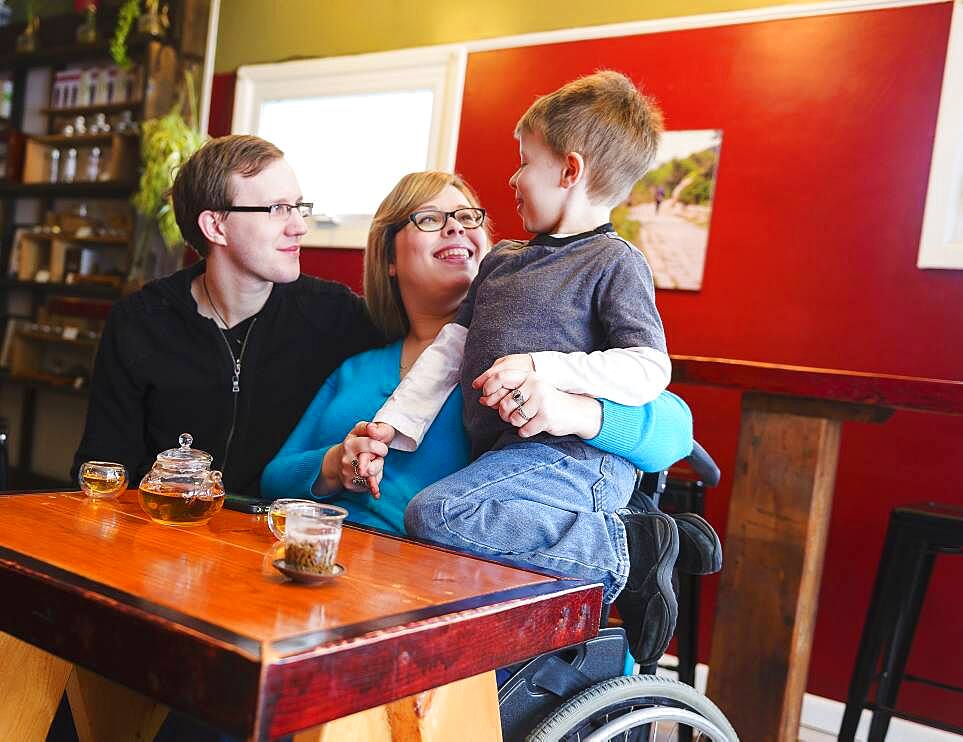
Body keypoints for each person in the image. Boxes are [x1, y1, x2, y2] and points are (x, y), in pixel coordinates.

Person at [363, 71, 677, 626]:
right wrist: (394, 423)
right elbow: (449, 352)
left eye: (525, 161)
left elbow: (649, 368)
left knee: (436, 513)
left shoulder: (613, 262)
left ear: (570, 171)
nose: (513, 176)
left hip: (577, 463)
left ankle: (623, 550)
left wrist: (543, 369)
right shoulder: (503, 261)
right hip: (507, 459)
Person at [260, 170, 694, 536]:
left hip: (445, 575)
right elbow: (273, 479)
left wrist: (570, 410)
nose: (456, 227)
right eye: (430, 218)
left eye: (467, 217)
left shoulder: (527, 354)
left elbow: (674, 432)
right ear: (388, 256)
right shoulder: (356, 368)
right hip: (331, 557)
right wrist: (336, 465)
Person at [72, 135, 383, 496]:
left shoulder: (334, 313)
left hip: (275, 536)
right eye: (278, 209)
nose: (300, 226)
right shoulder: (140, 321)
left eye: (299, 207)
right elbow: (103, 467)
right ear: (215, 227)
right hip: (164, 528)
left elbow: (419, 339)